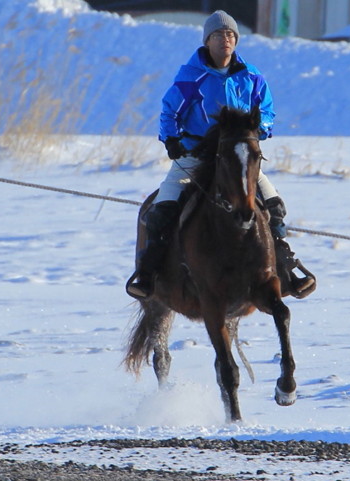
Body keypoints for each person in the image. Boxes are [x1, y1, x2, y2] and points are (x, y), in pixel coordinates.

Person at [125, 10, 316, 301]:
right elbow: (170, 110)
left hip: (236, 157)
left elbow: (266, 110)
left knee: (273, 205)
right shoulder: (191, 76)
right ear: (207, 41)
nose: (225, 39)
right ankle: (149, 272)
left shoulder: (251, 75)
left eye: (230, 35)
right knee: (162, 209)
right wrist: (172, 140)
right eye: (218, 34)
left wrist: (257, 130)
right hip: (196, 155)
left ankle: (286, 267)